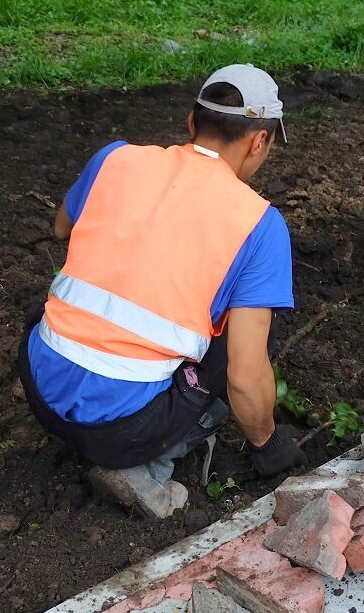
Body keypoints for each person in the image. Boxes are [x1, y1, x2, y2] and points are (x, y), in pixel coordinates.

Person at [17, 64, 306, 518]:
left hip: (37, 385)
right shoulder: (260, 225)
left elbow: (62, 227)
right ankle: (148, 466)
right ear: (259, 140)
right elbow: (245, 376)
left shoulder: (116, 157)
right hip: (121, 433)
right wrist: (268, 445)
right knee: (243, 339)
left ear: (192, 123)